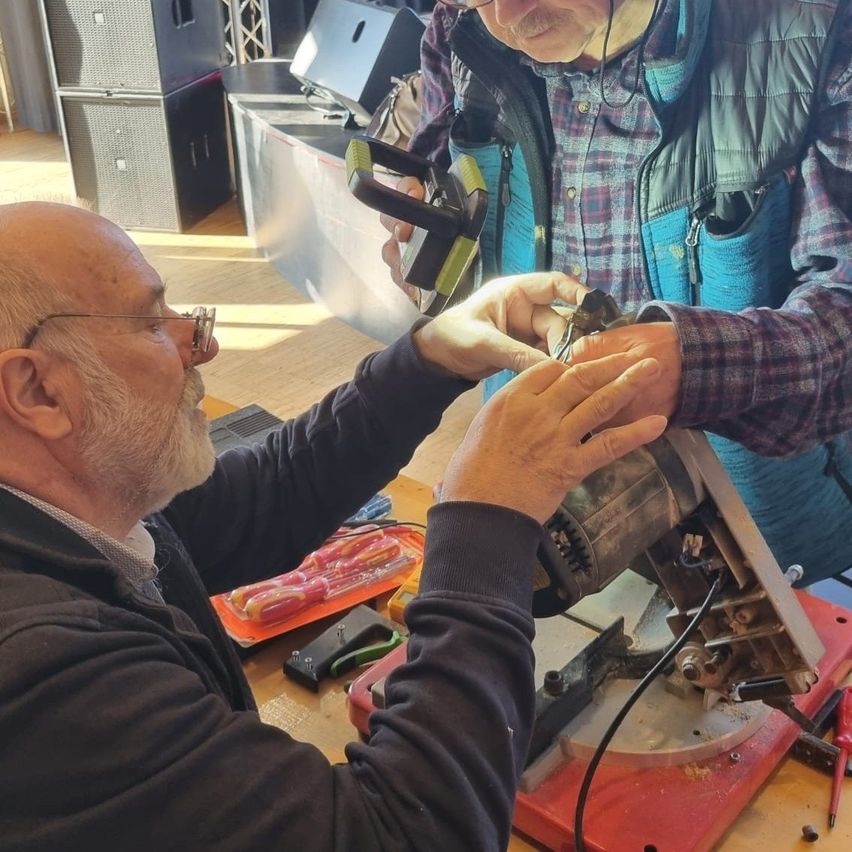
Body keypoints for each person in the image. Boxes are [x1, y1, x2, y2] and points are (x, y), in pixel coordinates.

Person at [0, 201, 666, 851]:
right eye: (152, 324)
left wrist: (432, 358)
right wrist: (485, 520)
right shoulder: (42, 678)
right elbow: (417, 834)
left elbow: (260, 500)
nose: (204, 344)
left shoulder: (77, 502)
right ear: (37, 391)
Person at [379, 0, 852, 586]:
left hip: (764, 543)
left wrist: (698, 367)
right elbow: (434, 188)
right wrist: (425, 248)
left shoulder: (815, 37)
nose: (507, 14)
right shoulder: (459, 30)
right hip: (548, 522)